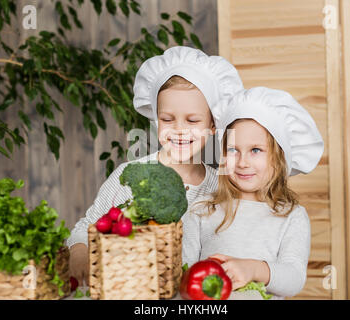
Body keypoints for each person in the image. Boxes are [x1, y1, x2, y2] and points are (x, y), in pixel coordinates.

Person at [67, 46, 244, 285]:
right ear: (155, 119)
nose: (179, 130)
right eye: (167, 119)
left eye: (192, 120)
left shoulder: (220, 186)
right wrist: (79, 253)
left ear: (213, 125)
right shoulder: (130, 176)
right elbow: (87, 226)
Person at [182, 87, 324, 299]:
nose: (242, 162)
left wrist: (254, 269)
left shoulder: (291, 216)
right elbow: (183, 275)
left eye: (255, 150)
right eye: (233, 150)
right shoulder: (200, 210)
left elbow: (294, 278)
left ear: (279, 158)